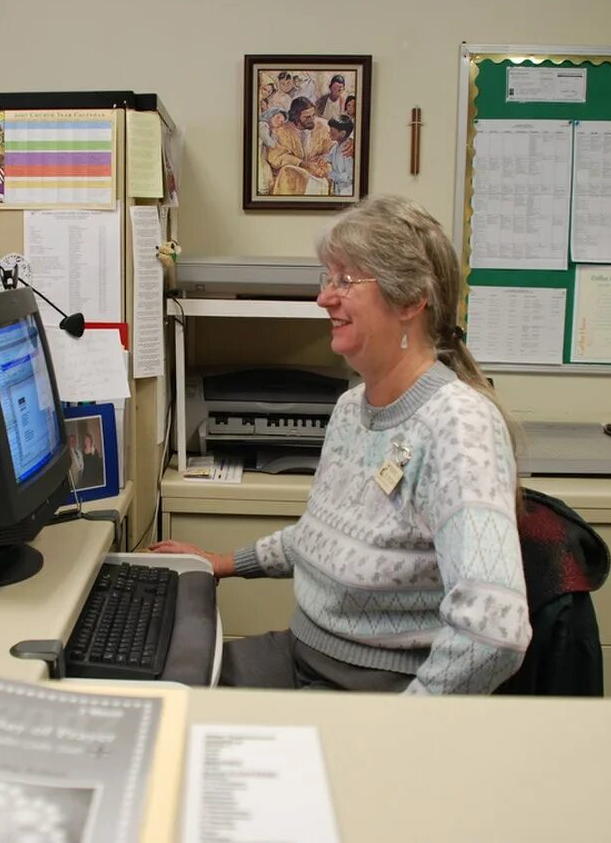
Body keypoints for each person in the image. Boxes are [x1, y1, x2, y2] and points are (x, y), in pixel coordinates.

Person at [151, 195, 530, 695]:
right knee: (159, 691)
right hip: (304, 654)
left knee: (197, 739)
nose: (324, 298)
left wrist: (399, 726)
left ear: (411, 299)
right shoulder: (353, 407)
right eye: (327, 279)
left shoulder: (459, 425)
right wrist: (222, 562)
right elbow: (323, 539)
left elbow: (494, 629)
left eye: (345, 281)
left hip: (371, 685)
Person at [267, 97, 333, 196]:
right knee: (287, 171)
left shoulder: (322, 127)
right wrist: (303, 164)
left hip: (318, 171)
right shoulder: (282, 131)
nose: (312, 120)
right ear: (296, 117)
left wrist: (324, 158)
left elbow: (332, 148)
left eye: (313, 115)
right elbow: (276, 157)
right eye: (307, 117)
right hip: (295, 176)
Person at [325, 116, 355, 196]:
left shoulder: (347, 151)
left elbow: (350, 178)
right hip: (338, 190)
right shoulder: (335, 148)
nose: (329, 133)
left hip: (347, 191)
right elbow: (328, 159)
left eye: (332, 131)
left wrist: (330, 174)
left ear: (342, 133)